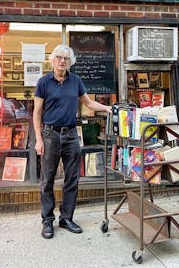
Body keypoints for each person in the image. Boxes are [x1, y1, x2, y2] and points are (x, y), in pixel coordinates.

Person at [33, 44, 112, 239]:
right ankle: (47, 220)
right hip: (50, 135)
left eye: (66, 59)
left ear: (70, 62)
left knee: (72, 179)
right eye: (59, 57)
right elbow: (37, 112)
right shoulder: (43, 82)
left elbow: (88, 103)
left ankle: (66, 218)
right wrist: (38, 139)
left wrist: (108, 108)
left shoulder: (76, 81)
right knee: (47, 180)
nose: (62, 61)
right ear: (52, 60)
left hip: (70, 135)